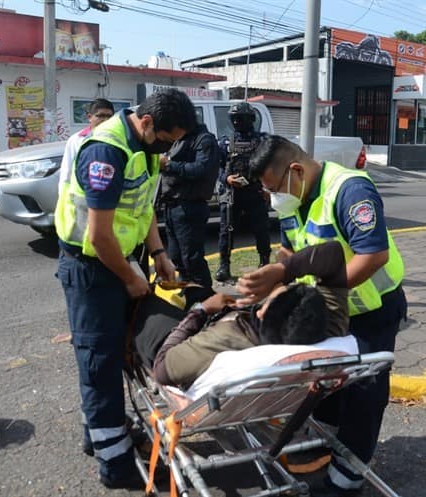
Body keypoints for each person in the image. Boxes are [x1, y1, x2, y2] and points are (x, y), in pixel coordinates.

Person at [240, 135, 407, 497]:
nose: (273, 197)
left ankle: (348, 478)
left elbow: (371, 255)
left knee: (364, 393)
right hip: (330, 308)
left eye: (274, 188)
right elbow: (289, 249)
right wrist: (275, 285)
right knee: (324, 383)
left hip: (372, 310)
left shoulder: (348, 190)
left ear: (296, 170)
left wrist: (303, 284)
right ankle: (329, 442)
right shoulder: (293, 199)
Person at [54, 91, 178, 490]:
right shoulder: (105, 152)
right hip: (93, 267)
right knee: (99, 364)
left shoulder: (142, 146)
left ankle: (100, 432)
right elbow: (99, 234)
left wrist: (158, 252)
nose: (168, 147)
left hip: (120, 260)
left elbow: (144, 206)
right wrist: (129, 277)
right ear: (146, 123)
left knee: (114, 356)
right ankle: (116, 466)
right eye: (166, 138)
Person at [153, 240, 349, 390]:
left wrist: (200, 310)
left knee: (153, 307)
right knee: (194, 290)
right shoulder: (330, 329)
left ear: (263, 312)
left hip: (193, 333)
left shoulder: (222, 339)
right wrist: (283, 270)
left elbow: (161, 370)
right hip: (233, 322)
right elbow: (335, 254)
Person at [159, 89, 220, 287]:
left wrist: (168, 165)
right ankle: (189, 293)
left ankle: (205, 298)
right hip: (172, 205)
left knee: (192, 259)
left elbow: (200, 169)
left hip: (190, 206)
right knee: (177, 257)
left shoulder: (204, 140)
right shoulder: (177, 139)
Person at [215, 102, 271, 282]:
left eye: (241, 118)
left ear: (251, 119)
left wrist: (268, 188)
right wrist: (227, 179)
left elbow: (270, 167)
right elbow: (217, 168)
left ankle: (265, 262)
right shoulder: (225, 142)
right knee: (226, 230)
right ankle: (224, 265)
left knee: (261, 229)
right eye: (235, 118)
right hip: (232, 194)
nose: (237, 122)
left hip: (255, 191)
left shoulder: (263, 141)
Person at [58, 98, 114, 195]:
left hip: (109, 195)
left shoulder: (118, 139)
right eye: (100, 116)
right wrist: (63, 196)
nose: (105, 120)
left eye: (109, 116)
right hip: (81, 196)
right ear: (89, 117)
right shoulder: (76, 140)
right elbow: (66, 173)